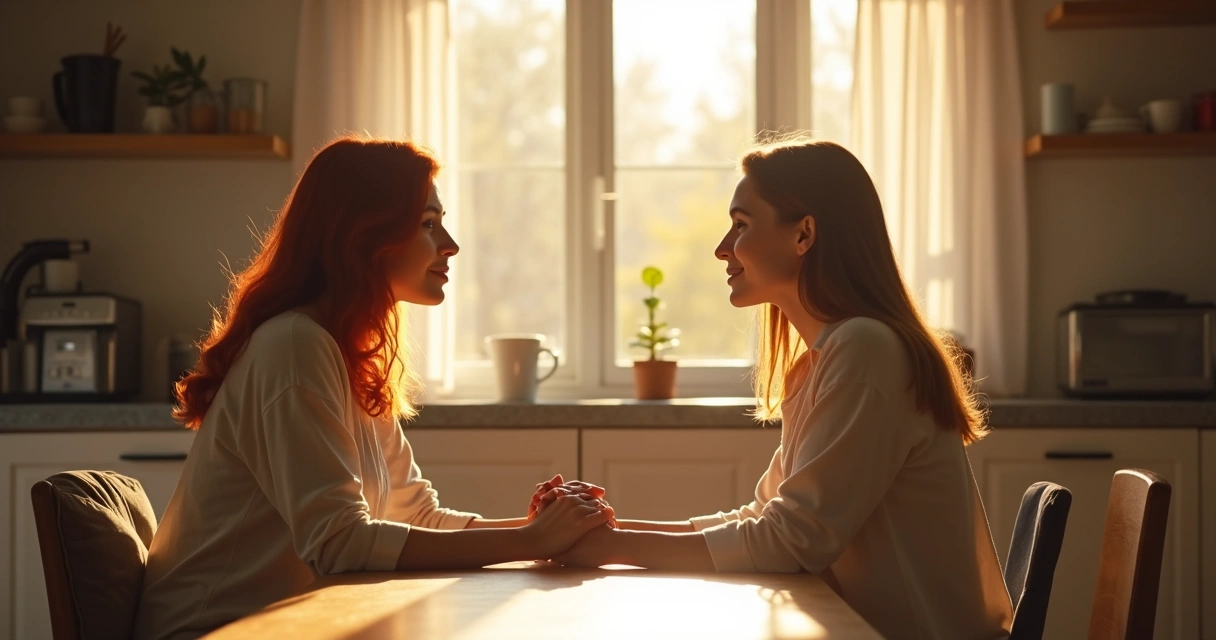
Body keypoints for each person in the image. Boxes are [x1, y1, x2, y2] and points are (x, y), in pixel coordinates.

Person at [134, 135, 612, 640]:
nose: (449, 244)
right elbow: (339, 544)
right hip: (211, 631)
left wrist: (535, 532)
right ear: (363, 236)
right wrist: (530, 539)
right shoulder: (294, 345)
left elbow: (418, 516)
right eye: (428, 224)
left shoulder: (347, 352)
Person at [548, 138, 1013, 639]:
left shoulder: (865, 349)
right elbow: (768, 517)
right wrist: (616, 535)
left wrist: (611, 547)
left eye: (742, 225)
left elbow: (795, 540)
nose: (723, 248)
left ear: (804, 234)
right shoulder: (819, 362)